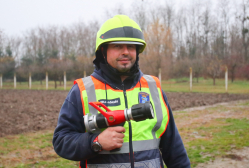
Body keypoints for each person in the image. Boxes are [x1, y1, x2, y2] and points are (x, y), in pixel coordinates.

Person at [53, 15, 190, 168]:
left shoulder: (153, 87)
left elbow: (173, 147)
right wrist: (96, 142)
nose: (125, 52)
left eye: (131, 46)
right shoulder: (82, 90)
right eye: (118, 46)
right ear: (103, 50)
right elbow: (61, 141)